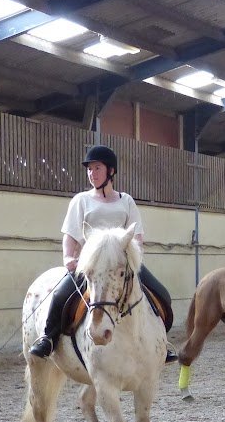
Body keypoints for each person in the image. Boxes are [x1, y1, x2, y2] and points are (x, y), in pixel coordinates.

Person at [29, 145, 176, 362]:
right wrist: (69, 258)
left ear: (111, 171)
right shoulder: (81, 200)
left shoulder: (126, 201)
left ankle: (161, 342)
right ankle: (48, 338)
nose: (91, 173)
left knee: (162, 294)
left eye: (97, 168)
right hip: (91, 265)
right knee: (61, 295)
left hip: (122, 265)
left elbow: (137, 237)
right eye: (89, 169)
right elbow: (70, 235)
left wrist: (133, 259)